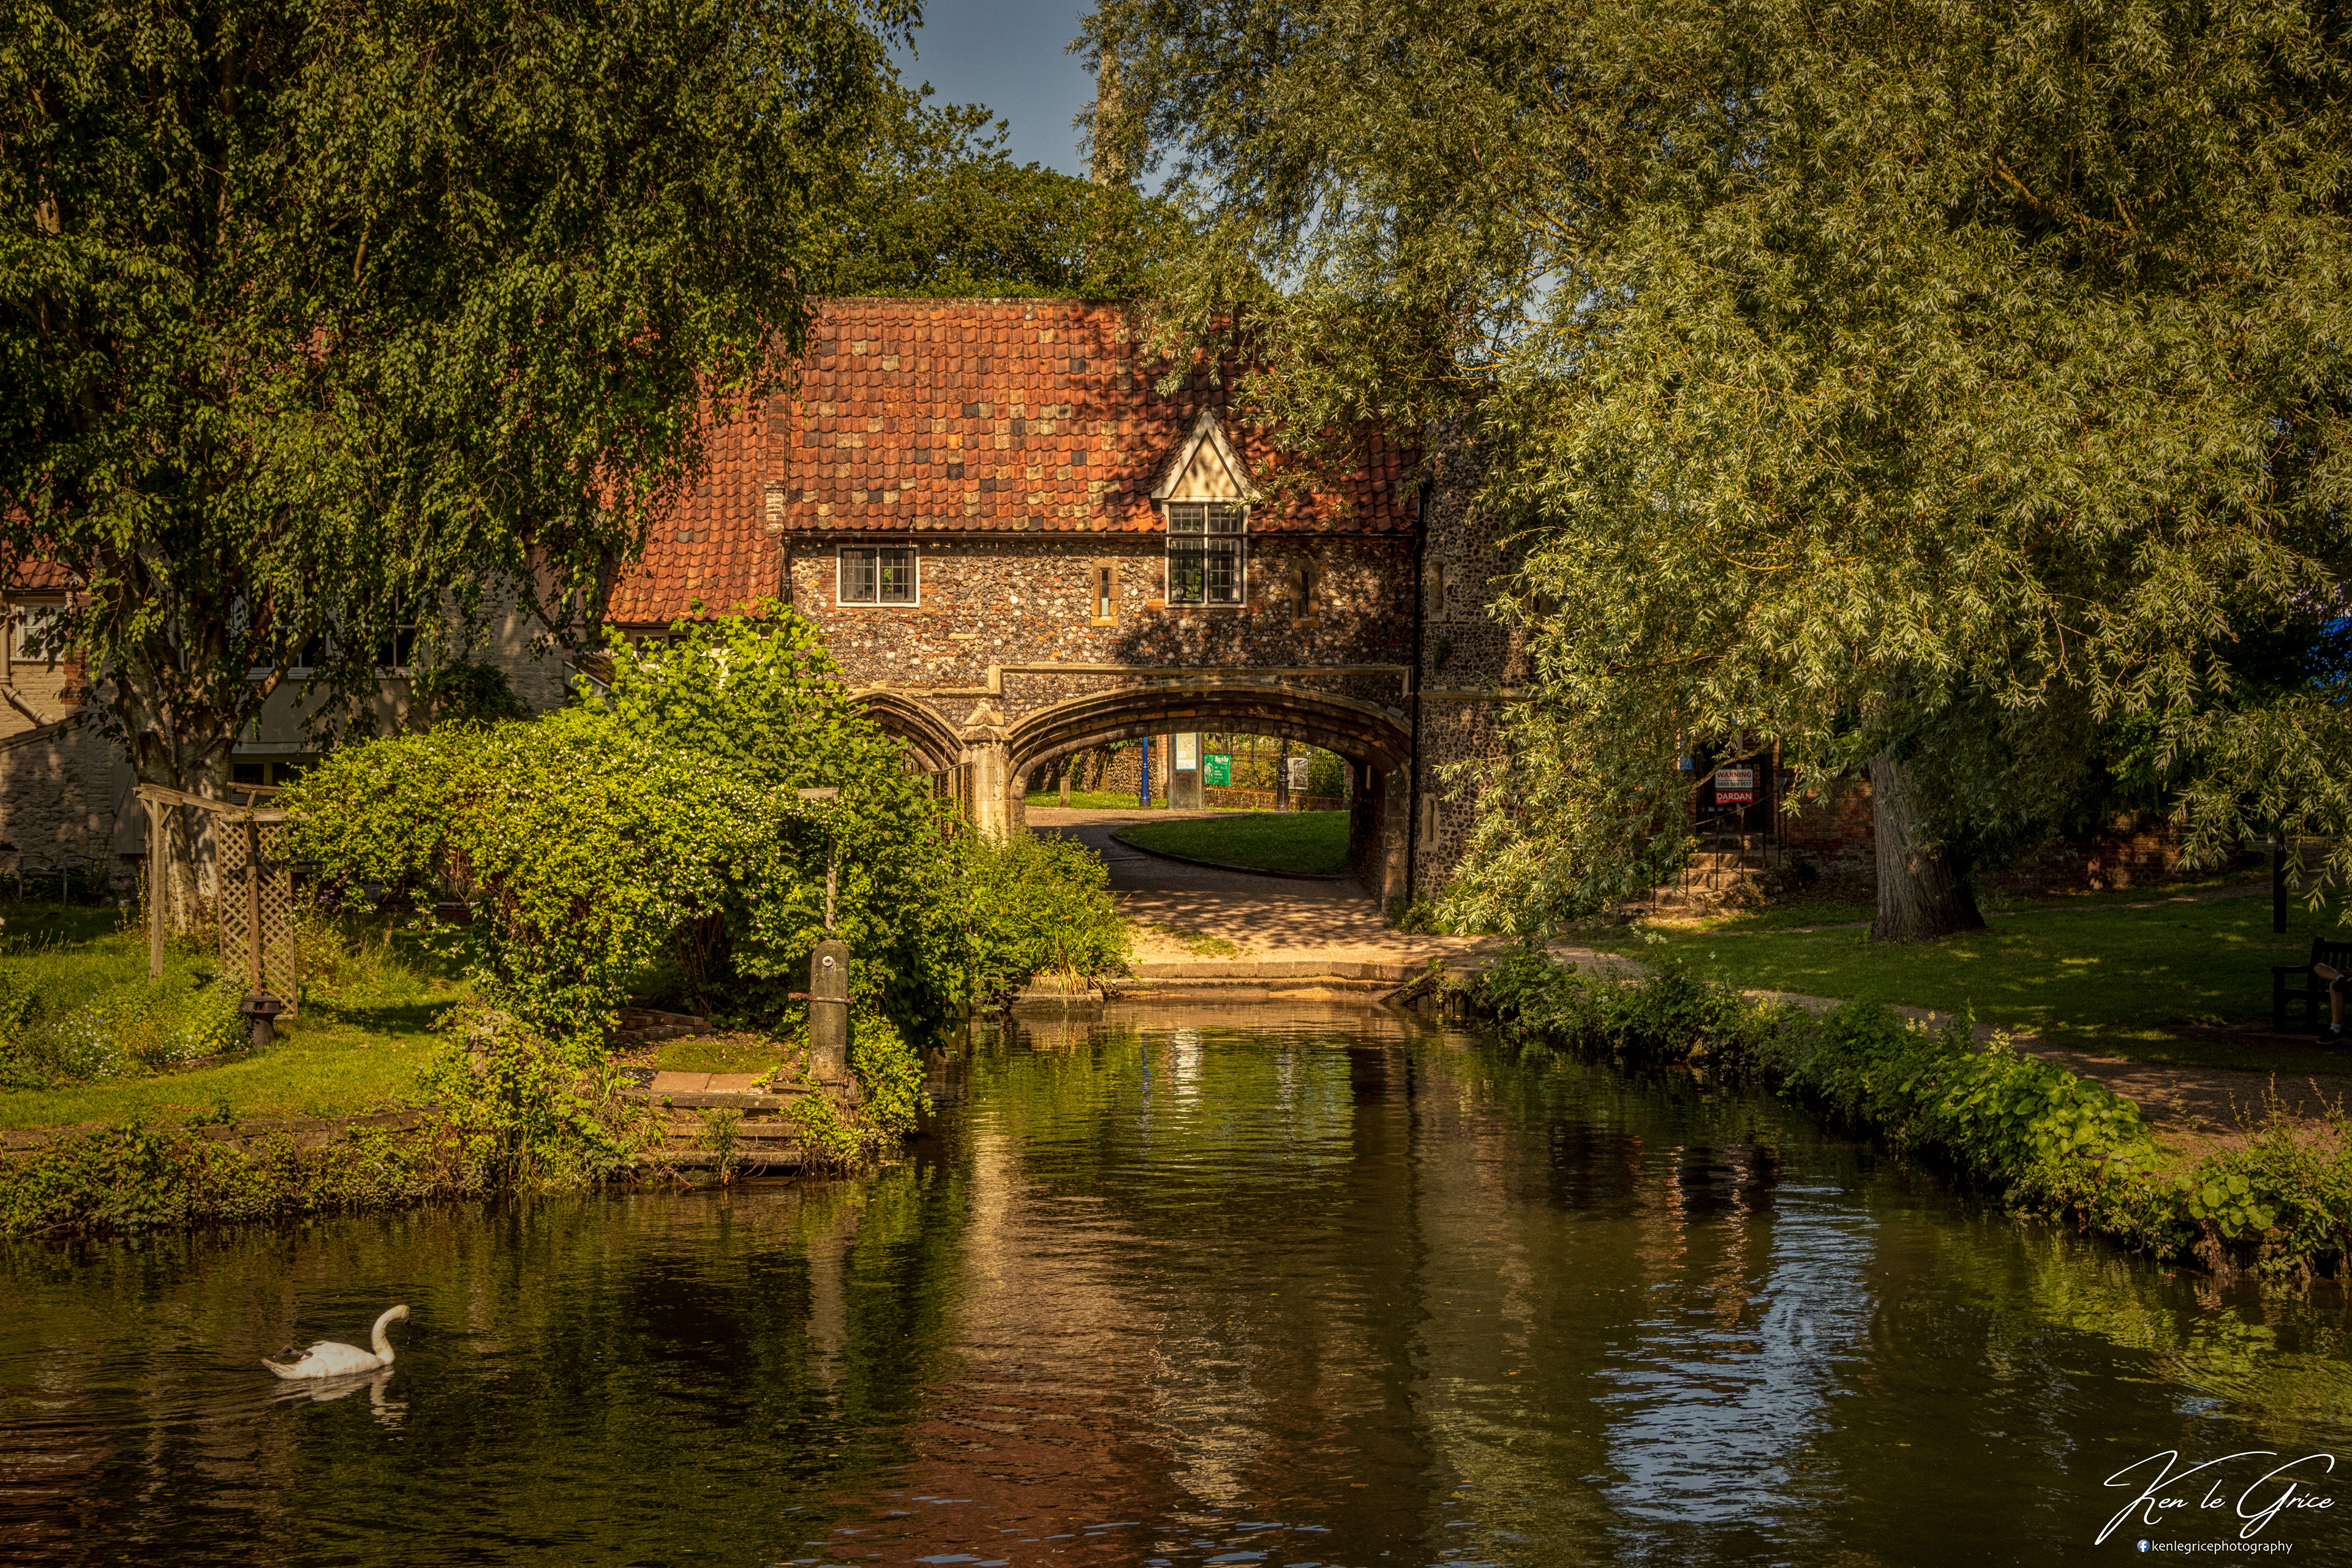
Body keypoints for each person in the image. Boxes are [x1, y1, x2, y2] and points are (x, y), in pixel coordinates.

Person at [2316, 962, 2348, 1042]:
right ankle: (2342, 979)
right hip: (2346, 978)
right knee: (2319, 967)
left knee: (2334, 985)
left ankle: (2335, 1029)